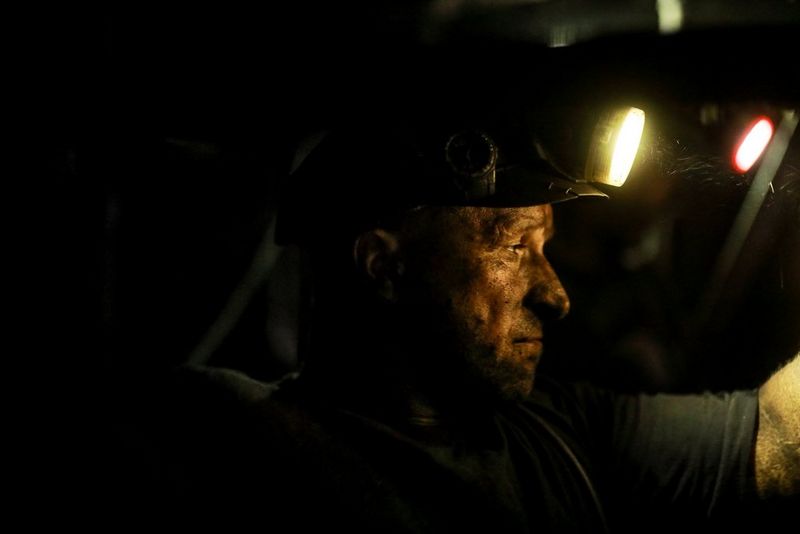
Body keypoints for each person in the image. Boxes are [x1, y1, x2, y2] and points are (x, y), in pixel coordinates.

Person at [116, 92, 798, 533]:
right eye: (513, 246)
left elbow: (777, 434)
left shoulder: (565, 432)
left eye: (545, 247)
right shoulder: (225, 440)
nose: (555, 295)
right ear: (382, 265)